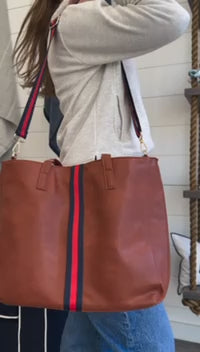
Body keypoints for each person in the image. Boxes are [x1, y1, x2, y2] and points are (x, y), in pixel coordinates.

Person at [13, 0, 190, 350]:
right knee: (149, 341)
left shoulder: (81, 21)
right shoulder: (79, 19)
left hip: (99, 192)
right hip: (106, 198)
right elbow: (174, 16)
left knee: (85, 337)